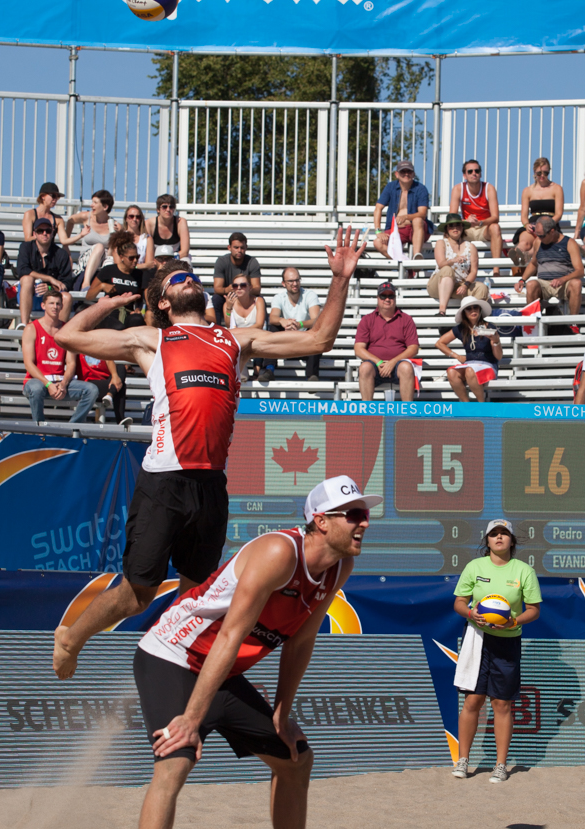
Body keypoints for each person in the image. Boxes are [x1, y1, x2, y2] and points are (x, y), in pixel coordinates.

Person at [49, 228, 366, 681]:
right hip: (164, 481)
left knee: (196, 593)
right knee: (139, 591)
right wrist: (109, 304)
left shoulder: (235, 340)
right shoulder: (151, 340)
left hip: (210, 484)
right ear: (162, 303)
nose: (187, 279)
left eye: (190, 275)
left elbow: (318, 341)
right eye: (177, 280)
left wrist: (340, 280)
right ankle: (71, 637)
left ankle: (172, 662)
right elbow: (66, 336)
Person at [130, 475, 373, 829]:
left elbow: (301, 642)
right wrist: (192, 719)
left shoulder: (339, 567)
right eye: (353, 514)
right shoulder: (278, 553)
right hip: (172, 653)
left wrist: (281, 714)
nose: (364, 522)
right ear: (321, 521)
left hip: (219, 671)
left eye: (364, 513)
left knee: (296, 760)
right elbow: (229, 635)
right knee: (175, 762)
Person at [451, 519, 541, 783]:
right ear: (487, 541)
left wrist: (515, 621)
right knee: (473, 701)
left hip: (507, 642)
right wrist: (470, 613)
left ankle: (500, 765)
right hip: (477, 639)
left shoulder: (524, 571)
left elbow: (534, 609)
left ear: (512, 541)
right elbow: (459, 602)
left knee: (502, 704)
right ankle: (462, 760)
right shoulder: (474, 567)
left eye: (504, 534)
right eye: (493, 534)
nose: (499, 537)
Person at [85, 230, 150, 425]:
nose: (135, 261)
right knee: (117, 326)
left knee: (137, 323)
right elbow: (89, 295)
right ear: (121, 257)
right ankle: (126, 363)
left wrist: (141, 310)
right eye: (131, 258)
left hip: (129, 316)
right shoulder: (108, 271)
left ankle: (125, 365)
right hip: (110, 315)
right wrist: (103, 287)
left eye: (137, 257)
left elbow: (145, 299)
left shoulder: (140, 274)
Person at [21, 289, 99, 424]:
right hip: (38, 381)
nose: (55, 307)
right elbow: (29, 364)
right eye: (51, 303)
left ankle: (71, 427)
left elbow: (71, 364)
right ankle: (39, 428)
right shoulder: (31, 328)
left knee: (91, 390)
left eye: (58, 304)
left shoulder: (67, 331)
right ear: (43, 306)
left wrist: (63, 384)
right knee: (36, 388)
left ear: (62, 306)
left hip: (60, 382)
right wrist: (49, 384)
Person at [355, 282, 420, 402]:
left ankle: (407, 411)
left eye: (391, 296)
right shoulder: (367, 320)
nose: (387, 299)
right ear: (377, 299)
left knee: (406, 367)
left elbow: (413, 348)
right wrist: (378, 362)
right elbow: (358, 349)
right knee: (365, 367)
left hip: (398, 365)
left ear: (395, 298)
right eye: (383, 296)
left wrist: (392, 362)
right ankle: (367, 411)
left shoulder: (406, 319)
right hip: (374, 366)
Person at [514, 216, 585, 317]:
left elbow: (580, 271)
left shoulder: (569, 243)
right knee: (531, 284)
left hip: (564, 284)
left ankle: (573, 323)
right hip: (544, 284)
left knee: (576, 283)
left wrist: (562, 279)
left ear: (552, 231)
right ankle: (532, 324)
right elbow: (534, 264)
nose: (539, 238)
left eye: (542, 236)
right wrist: (522, 280)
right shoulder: (538, 242)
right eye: (537, 235)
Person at [436, 296, 502, 402]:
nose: (473, 310)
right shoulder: (461, 328)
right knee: (451, 372)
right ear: (464, 312)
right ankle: (466, 404)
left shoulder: (489, 327)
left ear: (480, 309)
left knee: (469, 371)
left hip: (488, 365)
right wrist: (456, 356)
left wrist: (496, 341)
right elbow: (439, 343)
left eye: (476, 307)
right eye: (469, 308)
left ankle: (481, 404)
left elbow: (498, 356)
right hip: (470, 365)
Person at [265, 268, 322, 382]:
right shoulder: (279, 298)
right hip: (287, 342)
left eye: (297, 280)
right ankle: (269, 370)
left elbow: (316, 319)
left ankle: (312, 375)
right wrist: (283, 321)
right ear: (283, 283)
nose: (295, 284)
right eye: (290, 281)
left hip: (306, 342)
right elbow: (272, 318)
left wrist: (300, 324)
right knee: (273, 326)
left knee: (318, 328)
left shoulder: (310, 295)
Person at [16, 217, 75, 328]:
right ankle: (24, 324)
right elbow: (22, 270)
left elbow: (67, 284)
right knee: (27, 279)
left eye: (48, 231)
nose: (44, 234)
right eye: (40, 231)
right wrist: (50, 279)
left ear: (53, 233)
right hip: (30, 295)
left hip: (52, 299)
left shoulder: (61, 254)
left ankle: (57, 334)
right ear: (35, 233)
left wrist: (49, 288)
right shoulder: (26, 247)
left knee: (67, 297)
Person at [427, 214, 489, 315]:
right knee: (447, 269)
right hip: (439, 284)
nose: (455, 228)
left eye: (458, 225)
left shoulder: (471, 246)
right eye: (451, 226)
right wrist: (453, 260)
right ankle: (442, 311)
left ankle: (474, 319)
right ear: (447, 229)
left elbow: (473, 271)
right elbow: (441, 264)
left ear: (462, 227)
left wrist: (466, 285)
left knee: (482, 287)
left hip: (459, 286)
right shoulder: (441, 243)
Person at [373, 161, 433, 260]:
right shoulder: (390, 187)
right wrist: (378, 231)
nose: (406, 174)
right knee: (377, 242)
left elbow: (422, 214)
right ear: (396, 174)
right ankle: (404, 261)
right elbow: (378, 208)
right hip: (397, 230)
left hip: (417, 229)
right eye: (402, 171)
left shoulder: (421, 189)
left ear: (413, 174)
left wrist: (406, 217)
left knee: (417, 220)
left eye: (409, 171)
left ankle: (417, 255)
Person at [513, 157, 565, 267]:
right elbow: (524, 216)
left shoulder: (556, 188)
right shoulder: (527, 191)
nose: (542, 176)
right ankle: (517, 253)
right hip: (533, 223)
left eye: (545, 173)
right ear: (534, 172)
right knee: (524, 242)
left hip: (550, 223)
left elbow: (559, 214)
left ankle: (527, 256)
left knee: (540, 240)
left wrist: (547, 224)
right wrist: (526, 225)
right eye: (539, 173)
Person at [448, 159, 503, 262]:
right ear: (464, 175)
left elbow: (495, 217)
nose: (474, 173)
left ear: (480, 174)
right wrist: (466, 221)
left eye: (476, 171)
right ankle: (453, 266)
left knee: (495, 228)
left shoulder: (489, 188)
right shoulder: (458, 189)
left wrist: (480, 222)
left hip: (484, 228)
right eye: (470, 171)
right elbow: (452, 217)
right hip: (467, 228)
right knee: (450, 230)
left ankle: (496, 269)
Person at [63, 189, 116, 290]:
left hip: (105, 261)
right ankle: (86, 283)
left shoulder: (113, 224)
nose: (91, 205)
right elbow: (70, 220)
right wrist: (66, 242)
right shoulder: (86, 217)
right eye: (92, 202)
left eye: (95, 203)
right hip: (86, 259)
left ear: (105, 207)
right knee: (99, 246)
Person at [222, 272, 267, 379]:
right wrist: (228, 308)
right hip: (240, 341)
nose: (238, 288)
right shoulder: (228, 304)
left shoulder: (258, 301)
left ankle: (256, 371)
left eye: (243, 285)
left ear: (250, 287)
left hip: (256, 337)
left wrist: (241, 331)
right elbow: (229, 326)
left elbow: (259, 325)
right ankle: (242, 373)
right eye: (235, 286)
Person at [211, 233, 262, 321]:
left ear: (246, 247)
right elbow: (217, 288)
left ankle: (262, 329)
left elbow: (257, 288)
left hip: (247, 296)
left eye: (242, 247)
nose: (239, 250)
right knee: (216, 299)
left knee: (261, 300)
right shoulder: (222, 261)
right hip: (228, 296)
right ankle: (216, 331)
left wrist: (244, 289)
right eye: (236, 247)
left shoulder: (252, 262)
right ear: (229, 247)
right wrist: (228, 290)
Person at [152, 193, 192, 263]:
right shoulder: (150, 224)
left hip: (176, 259)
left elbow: (185, 252)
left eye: (171, 207)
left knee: (186, 261)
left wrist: (169, 260)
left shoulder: (180, 222)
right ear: (158, 209)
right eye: (164, 207)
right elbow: (148, 253)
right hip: (156, 261)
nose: (168, 209)